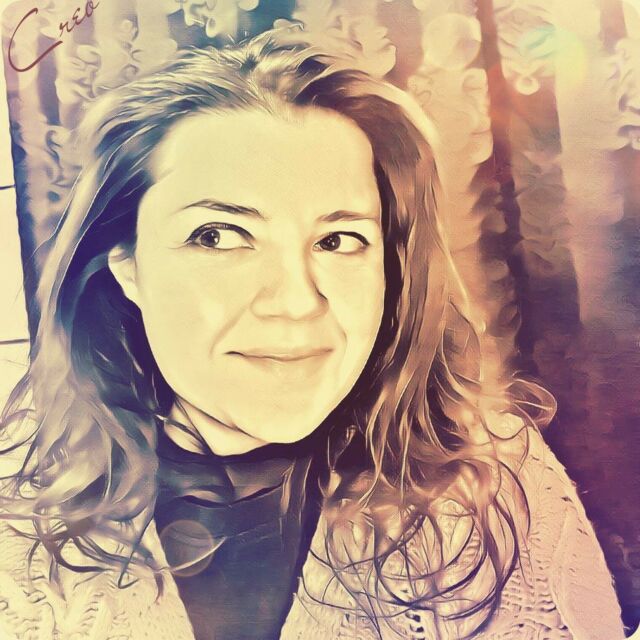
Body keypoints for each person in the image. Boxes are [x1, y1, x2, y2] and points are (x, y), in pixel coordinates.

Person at [0, 27, 625, 640]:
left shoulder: (493, 471)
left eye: (338, 239)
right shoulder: (16, 500)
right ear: (128, 267)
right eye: (217, 236)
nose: (298, 303)